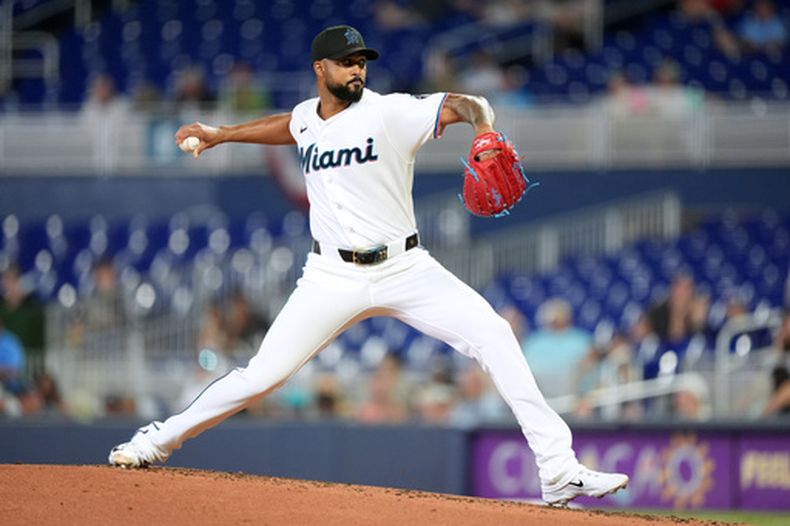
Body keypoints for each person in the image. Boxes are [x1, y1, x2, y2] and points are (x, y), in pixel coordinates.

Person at [108, 25, 628, 506]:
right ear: (321, 69)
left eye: (362, 61)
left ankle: (558, 468)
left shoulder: (390, 111)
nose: (357, 69)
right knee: (260, 376)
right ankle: (157, 439)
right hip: (331, 277)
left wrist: (483, 129)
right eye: (346, 62)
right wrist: (222, 133)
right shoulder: (308, 118)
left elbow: (468, 102)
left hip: (405, 267)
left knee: (493, 334)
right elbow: (289, 126)